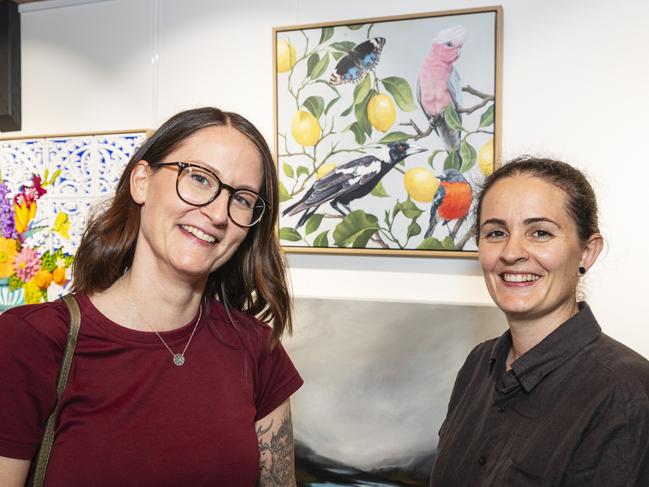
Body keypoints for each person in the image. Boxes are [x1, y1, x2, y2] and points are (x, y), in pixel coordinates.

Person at [0, 107, 303, 486]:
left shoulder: (258, 349)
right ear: (142, 180)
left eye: (242, 199)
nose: (218, 212)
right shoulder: (30, 341)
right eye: (200, 178)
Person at [429, 156, 649, 486]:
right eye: (496, 232)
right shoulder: (478, 364)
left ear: (587, 252)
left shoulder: (624, 393)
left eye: (540, 233)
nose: (512, 252)